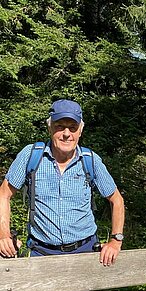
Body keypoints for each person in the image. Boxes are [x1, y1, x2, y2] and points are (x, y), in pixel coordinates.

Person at [0, 99, 125, 265]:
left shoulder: (91, 160)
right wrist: (3, 235)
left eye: (72, 128)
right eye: (60, 126)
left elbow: (117, 200)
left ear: (80, 131)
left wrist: (116, 241)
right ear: (50, 127)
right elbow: (4, 194)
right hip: (41, 253)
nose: (67, 134)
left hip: (85, 252)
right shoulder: (31, 156)